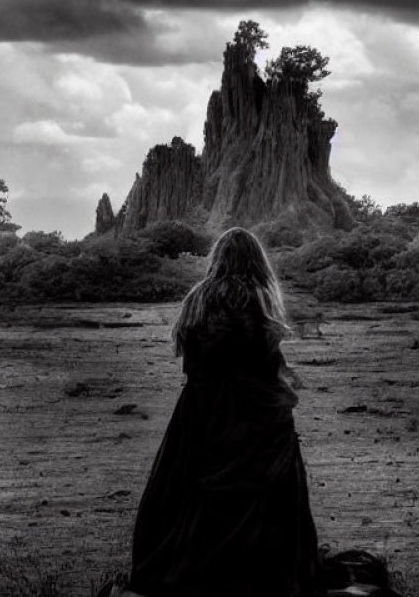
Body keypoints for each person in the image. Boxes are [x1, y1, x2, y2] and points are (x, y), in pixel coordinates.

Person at [128, 227, 321, 597]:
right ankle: (257, 571)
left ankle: (202, 569)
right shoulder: (256, 298)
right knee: (264, 489)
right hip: (252, 412)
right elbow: (263, 364)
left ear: (217, 258)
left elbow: (192, 361)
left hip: (201, 411)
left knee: (192, 491)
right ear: (256, 260)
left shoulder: (197, 299)